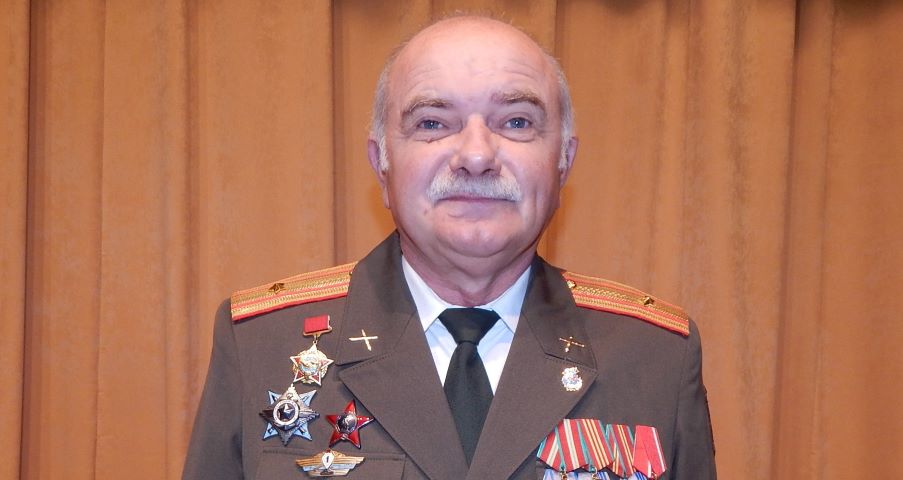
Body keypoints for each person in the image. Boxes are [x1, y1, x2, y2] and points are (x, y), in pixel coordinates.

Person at [183, 15, 716, 480]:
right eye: (433, 123)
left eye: (516, 122)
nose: (477, 156)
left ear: (563, 162)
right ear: (382, 164)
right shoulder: (261, 346)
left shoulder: (656, 359)